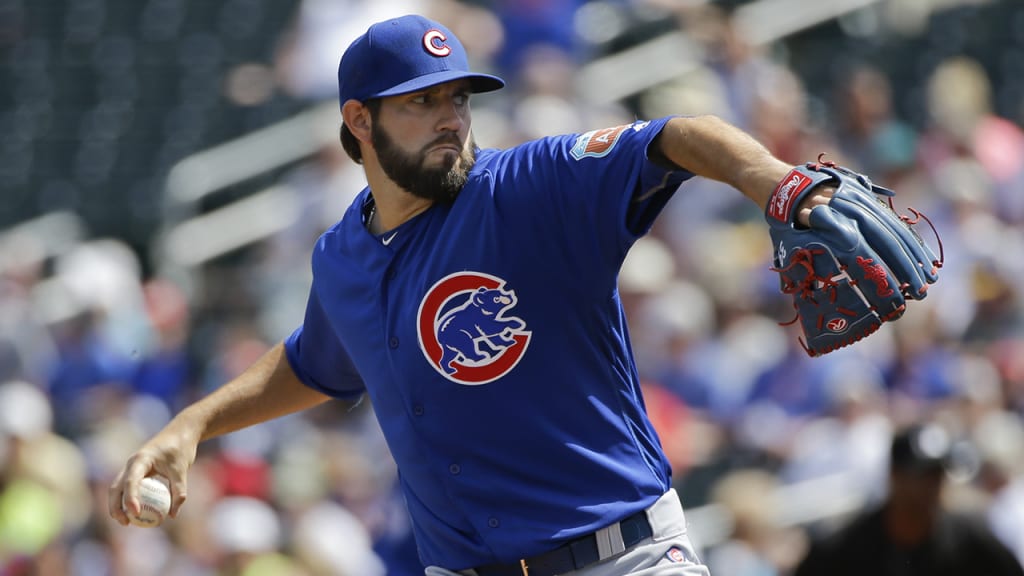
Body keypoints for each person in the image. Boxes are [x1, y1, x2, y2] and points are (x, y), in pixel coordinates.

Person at [109, 14, 829, 576]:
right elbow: (315, 364)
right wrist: (193, 425)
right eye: (422, 102)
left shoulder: (527, 188)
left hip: (619, 555)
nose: (451, 116)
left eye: (458, 97)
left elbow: (679, 136)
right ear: (359, 121)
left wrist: (778, 183)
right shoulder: (341, 255)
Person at [793, 422, 1024, 576]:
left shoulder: (971, 539)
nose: (931, 486)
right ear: (894, 475)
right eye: (921, 476)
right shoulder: (845, 546)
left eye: (937, 475)